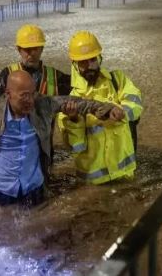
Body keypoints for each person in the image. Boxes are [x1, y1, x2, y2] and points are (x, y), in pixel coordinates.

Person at [0, 70, 114, 206]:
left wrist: (107, 109)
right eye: (24, 96)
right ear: (8, 94)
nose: (30, 100)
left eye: (33, 94)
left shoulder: (42, 105)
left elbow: (79, 103)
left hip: (33, 189)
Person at [60, 31, 143, 185]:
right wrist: (73, 119)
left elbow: (136, 103)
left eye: (92, 59)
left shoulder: (118, 80)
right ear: (75, 65)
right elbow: (75, 147)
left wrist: (122, 111)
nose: (89, 66)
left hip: (125, 173)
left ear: (99, 58)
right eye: (83, 62)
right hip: (94, 183)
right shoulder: (71, 100)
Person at [0, 24, 70, 98]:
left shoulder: (56, 76)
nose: (32, 54)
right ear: (19, 50)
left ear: (42, 49)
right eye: (27, 49)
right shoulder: (8, 74)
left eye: (35, 49)